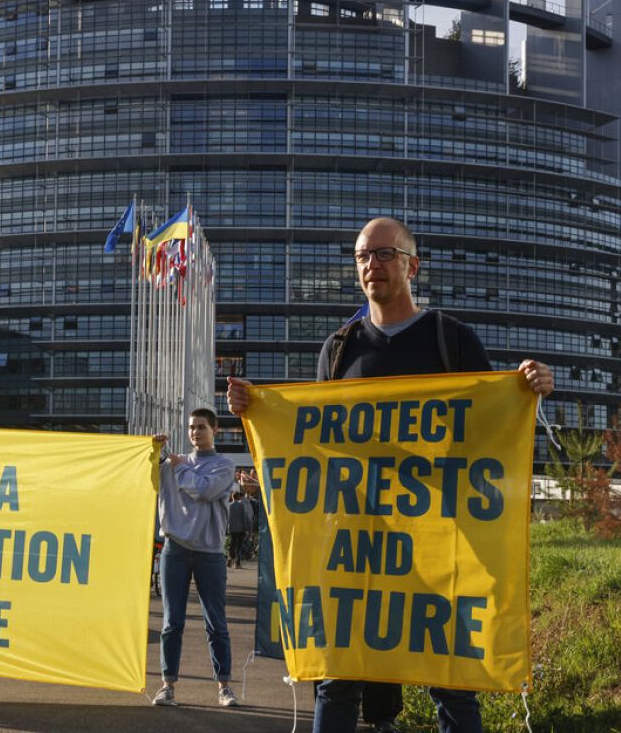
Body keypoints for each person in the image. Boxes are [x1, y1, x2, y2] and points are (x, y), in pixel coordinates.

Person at [227, 217, 554, 733]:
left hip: (440, 545)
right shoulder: (338, 350)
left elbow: (492, 429)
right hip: (358, 546)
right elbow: (315, 443)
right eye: (362, 256)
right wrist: (258, 410)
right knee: (338, 682)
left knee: (453, 683)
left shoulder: (452, 340)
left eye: (383, 254)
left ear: (412, 264)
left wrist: (529, 387)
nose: (370, 265)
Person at [151, 407, 240, 708]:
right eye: (191, 427)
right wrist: (152, 450)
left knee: (216, 622)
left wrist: (176, 466)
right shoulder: (172, 462)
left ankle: (224, 687)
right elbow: (146, 478)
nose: (195, 432)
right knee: (171, 622)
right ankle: (167, 686)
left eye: (201, 427)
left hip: (210, 553)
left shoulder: (223, 466)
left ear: (214, 430)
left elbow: (202, 490)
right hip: (174, 549)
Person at [226, 491, 254, 568]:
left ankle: (230, 558)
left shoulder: (229, 506)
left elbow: (227, 518)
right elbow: (244, 517)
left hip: (232, 528)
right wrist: (246, 528)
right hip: (241, 528)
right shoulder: (242, 505)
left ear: (232, 497)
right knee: (239, 546)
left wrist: (226, 528)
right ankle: (237, 563)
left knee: (232, 544)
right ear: (238, 497)